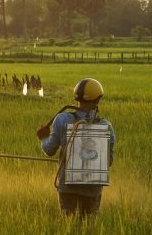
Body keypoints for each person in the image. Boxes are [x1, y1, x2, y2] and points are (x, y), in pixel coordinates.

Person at [36, 78, 116, 218]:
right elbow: (108, 161)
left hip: (68, 187)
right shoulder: (106, 126)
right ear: (97, 100)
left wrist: (43, 138)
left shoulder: (62, 119)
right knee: (89, 228)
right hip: (93, 189)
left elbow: (49, 150)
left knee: (68, 226)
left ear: (76, 97)